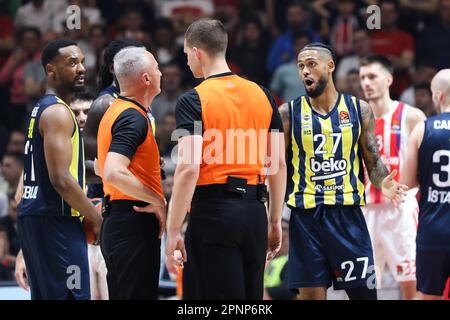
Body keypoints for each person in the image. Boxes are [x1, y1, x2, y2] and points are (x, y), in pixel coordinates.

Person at [165, 18, 286, 300]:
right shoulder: (264, 95)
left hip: (213, 213)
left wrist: (173, 230)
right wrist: (274, 221)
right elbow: (278, 163)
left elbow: (187, 168)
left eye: (186, 55)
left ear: (197, 52)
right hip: (255, 211)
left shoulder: (191, 100)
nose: (187, 62)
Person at [278, 43, 407, 300]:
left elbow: (373, 163)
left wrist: (385, 183)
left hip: (347, 217)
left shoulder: (359, 110)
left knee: (363, 296)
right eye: (301, 66)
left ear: (330, 65)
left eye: (312, 64)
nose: (305, 71)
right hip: (306, 218)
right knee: (311, 296)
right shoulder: (288, 113)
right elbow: (277, 168)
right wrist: (271, 217)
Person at [15, 39, 103, 300]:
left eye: (83, 62)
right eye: (72, 63)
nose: (81, 68)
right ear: (51, 70)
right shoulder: (58, 113)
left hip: (37, 217)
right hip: (56, 220)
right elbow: (61, 179)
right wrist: (95, 217)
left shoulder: (42, 108)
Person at [96, 46, 166, 300]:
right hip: (132, 222)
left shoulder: (116, 110)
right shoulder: (132, 117)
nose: (161, 72)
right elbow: (113, 171)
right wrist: (156, 199)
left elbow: (97, 166)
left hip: (120, 220)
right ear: (146, 78)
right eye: (157, 67)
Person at [359, 55, 426, 300]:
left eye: (372, 76)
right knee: (362, 287)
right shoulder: (355, 119)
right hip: (365, 211)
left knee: (412, 285)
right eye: (362, 77)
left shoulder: (412, 116)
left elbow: (426, 167)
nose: (366, 82)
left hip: (401, 211)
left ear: (388, 79)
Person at [401, 69, 450, 299]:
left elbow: (407, 183)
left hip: (433, 230)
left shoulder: (423, 128)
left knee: (429, 296)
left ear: (438, 96)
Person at [83, 38, 144, 198]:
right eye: (132, 61)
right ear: (112, 68)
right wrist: (133, 171)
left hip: (134, 194)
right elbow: (84, 165)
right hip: (108, 199)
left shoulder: (142, 101)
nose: (140, 66)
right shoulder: (106, 104)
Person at [70, 89, 108, 300]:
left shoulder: (113, 142)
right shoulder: (58, 147)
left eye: (87, 111)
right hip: (76, 241)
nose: (82, 117)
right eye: (76, 112)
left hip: (108, 241)